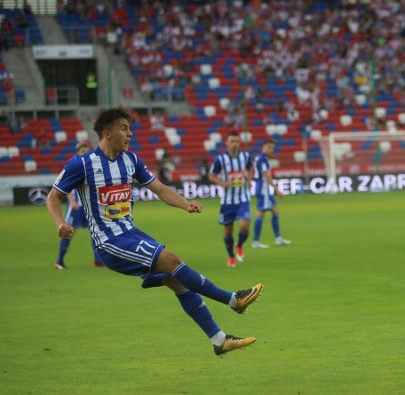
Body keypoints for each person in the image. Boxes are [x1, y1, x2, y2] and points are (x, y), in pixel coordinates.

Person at [45, 107, 262, 357]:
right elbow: (53, 196)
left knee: (176, 279)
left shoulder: (131, 160)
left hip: (132, 233)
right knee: (172, 260)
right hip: (109, 241)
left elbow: (159, 188)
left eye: (130, 128)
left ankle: (219, 340)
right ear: (107, 133)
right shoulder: (82, 164)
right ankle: (234, 300)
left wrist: (185, 204)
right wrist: (59, 223)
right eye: (124, 128)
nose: (130, 134)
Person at [54, 141, 105, 270]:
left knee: (95, 234)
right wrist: (72, 201)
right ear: (78, 152)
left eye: (87, 151)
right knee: (68, 233)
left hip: (89, 208)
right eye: (83, 151)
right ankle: (59, 262)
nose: (85, 153)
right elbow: (65, 187)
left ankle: (98, 261)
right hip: (75, 208)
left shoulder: (93, 166)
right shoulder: (75, 165)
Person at [209, 132, 252, 267]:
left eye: (237, 141)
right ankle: (231, 255)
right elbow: (211, 175)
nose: (235, 144)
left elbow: (250, 169)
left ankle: (239, 245)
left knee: (244, 227)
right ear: (227, 143)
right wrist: (223, 183)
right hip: (227, 200)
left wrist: (249, 180)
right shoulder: (220, 159)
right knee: (228, 231)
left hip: (243, 198)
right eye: (232, 141)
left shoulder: (245, 156)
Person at [251, 138, 291, 248]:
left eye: (272, 148)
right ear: (263, 147)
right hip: (263, 190)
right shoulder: (262, 159)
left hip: (264, 190)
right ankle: (255, 241)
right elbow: (266, 175)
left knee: (275, 211)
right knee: (261, 214)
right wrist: (276, 189)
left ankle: (278, 238)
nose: (271, 150)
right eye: (269, 147)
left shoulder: (260, 158)